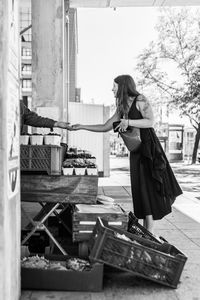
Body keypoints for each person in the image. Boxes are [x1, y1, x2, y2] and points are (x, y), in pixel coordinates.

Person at [71, 75, 182, 233]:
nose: (112, 89)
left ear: (123, 86)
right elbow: (105, 126)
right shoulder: (122, 107)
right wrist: (82, 126)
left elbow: (150, 121)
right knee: (140, 190)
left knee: (148, 189)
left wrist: (128, 122)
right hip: (136, 151)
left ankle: (148, 233)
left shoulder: (140, 99)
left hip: (149, 150)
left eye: (114, 86)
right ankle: (147, 233)